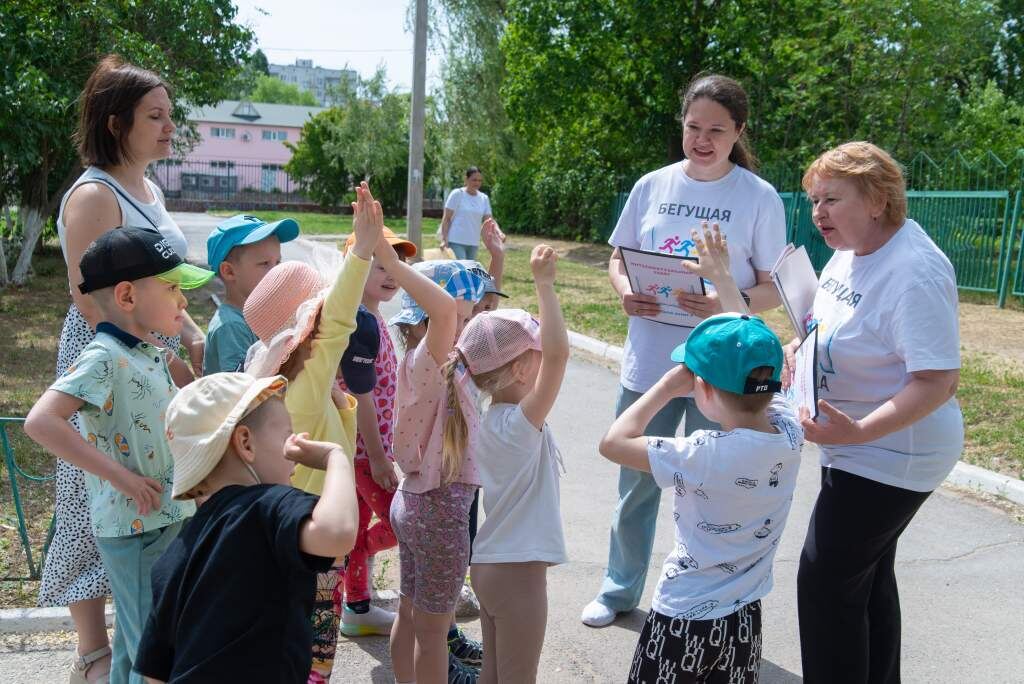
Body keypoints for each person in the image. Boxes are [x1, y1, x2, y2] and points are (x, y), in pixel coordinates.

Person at [582, 73, 786, 628]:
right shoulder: (652, 185)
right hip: (650, 363)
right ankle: (618, 590)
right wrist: (625, 292)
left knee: (713, 491)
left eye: (716, 130)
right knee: (636, 484)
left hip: (722, 372)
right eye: (693, 127)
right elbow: (619, 258)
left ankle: (709, 599)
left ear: (738, 131)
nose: (702, 140)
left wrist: (726, 298)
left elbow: (774, 287)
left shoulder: (758, 197)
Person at [44, 55, 203, 683]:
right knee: (94, 497)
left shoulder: (149, 189)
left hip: (150, 347)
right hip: (109, 349)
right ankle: (93, 654)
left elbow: (161, 280)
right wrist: (161, 348)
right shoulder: (93, 195)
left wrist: (184, 334)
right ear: (117, 124)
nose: (169, 127)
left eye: (170, 115)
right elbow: (95, 297)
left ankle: (131, 651)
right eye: (155, 116)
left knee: (145, 489)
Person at [599, 225, 803, 684]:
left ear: (702, 389)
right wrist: (724, 277)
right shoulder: (789, 429)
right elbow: (747, 341)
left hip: (683, 617)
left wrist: (664, 386)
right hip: (744, 618)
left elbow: (613, 442)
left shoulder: (701, 453)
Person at [792, 142, 963, 683]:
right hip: (853, 441)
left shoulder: (915, 271)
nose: (818, 213)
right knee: (862, 579)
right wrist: (801, 347)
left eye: (831, 200)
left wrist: (861, 431)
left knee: (824, 583)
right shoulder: (849, 248)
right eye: (814, 200)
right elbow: (829, 321)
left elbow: (938, 381)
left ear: (877, 200)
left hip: (892, 453)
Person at [24, 226, 214, 684]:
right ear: (127, 296)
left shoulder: (149, 351)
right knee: (154, 646)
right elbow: (41, 421)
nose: (183, 301)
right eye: (172, 288)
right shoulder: (104, 356)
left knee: (137, 646)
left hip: (162, 516)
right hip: (137, 527)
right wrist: (121, 477)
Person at [133, 372, 358, 683]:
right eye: (288, 437)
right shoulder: (268, 505)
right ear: (245, 443)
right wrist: (337, 458)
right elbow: (338, 533)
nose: (296, 451)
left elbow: (154, 672)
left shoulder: (175, 553)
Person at [242, 182, 380, 682]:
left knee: (290, 632)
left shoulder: (279, 380)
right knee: (314, 641)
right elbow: (338, 320)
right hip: (314, 528)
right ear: (312, 321)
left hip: (286, 525)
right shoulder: (310, 374)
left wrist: (341, 405)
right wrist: (362, 251)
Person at [462, 245, 570, 683]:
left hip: (490, 565)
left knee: (493, 675)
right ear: (523, 369)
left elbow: (549, 356)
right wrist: (544, 284)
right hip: (517, 573)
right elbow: (559, 357)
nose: (545, 356)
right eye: (536, 351)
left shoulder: (487, 418)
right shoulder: (519, 426)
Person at [384, 257, 486, 684]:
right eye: (455, 319)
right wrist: (388, 260)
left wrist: (495, 261)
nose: (463, 327)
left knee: (410, 615)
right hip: (439, 510)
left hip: (415, 501)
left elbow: (482, 317)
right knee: (431, 633)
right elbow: (444, 310)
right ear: (421, 322)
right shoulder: (429, 362)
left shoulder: (438, 363)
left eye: (468, 318)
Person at [335, 228, 416, 638]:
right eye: (379, 265)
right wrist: (380, 458)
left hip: (365, 449)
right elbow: (362, 397)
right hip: (365, 452)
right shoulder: (357, 321)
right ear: (354, 267)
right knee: (406, 524)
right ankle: (358, 561)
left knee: (356, 525)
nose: (390, 274)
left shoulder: (372, 315)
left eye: (395, 265)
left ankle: (357, 607)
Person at [203, 214, 299, 374]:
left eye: (277, 262)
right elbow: (241, 384)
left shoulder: (263, 313)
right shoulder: (232, 326)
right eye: (264, 264)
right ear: (229, 271)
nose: (276, 271)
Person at [439, 167, 494, 260]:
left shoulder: (484, 198)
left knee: (469, 268)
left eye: (480, 180)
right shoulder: (457, 194)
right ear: (466, 179)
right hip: (456, 240)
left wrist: (499, 233)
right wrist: (444, 239)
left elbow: (489, 220)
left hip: (473, 243)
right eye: (474, 180)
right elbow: (446, 218)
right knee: (462, 267)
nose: (477, 183)